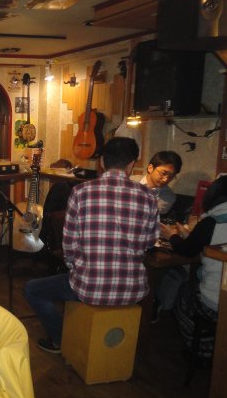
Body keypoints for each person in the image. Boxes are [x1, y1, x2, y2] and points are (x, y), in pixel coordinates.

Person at [23, 137, 160, 353]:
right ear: (132, 164)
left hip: (89, 287)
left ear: (102, 162)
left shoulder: (81, 192)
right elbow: (150, 242)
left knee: (32, 289)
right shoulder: (148, 197)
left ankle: (60, 339)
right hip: (133, 289)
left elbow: (69, 246)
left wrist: (76, 268)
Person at [157, 175, 227, 357]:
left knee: (183, 290)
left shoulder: (212, 222)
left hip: (217, 303)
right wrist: (188, 235)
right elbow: (202, 244)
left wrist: (171, 235)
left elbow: (187, 251)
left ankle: (200, 347)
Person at [131, 150, 182, 215]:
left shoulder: (168, 196)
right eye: (163, 173)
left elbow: (148, 214)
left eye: (171, 176)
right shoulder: (130, 180)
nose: (166, 179)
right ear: (150, 168)